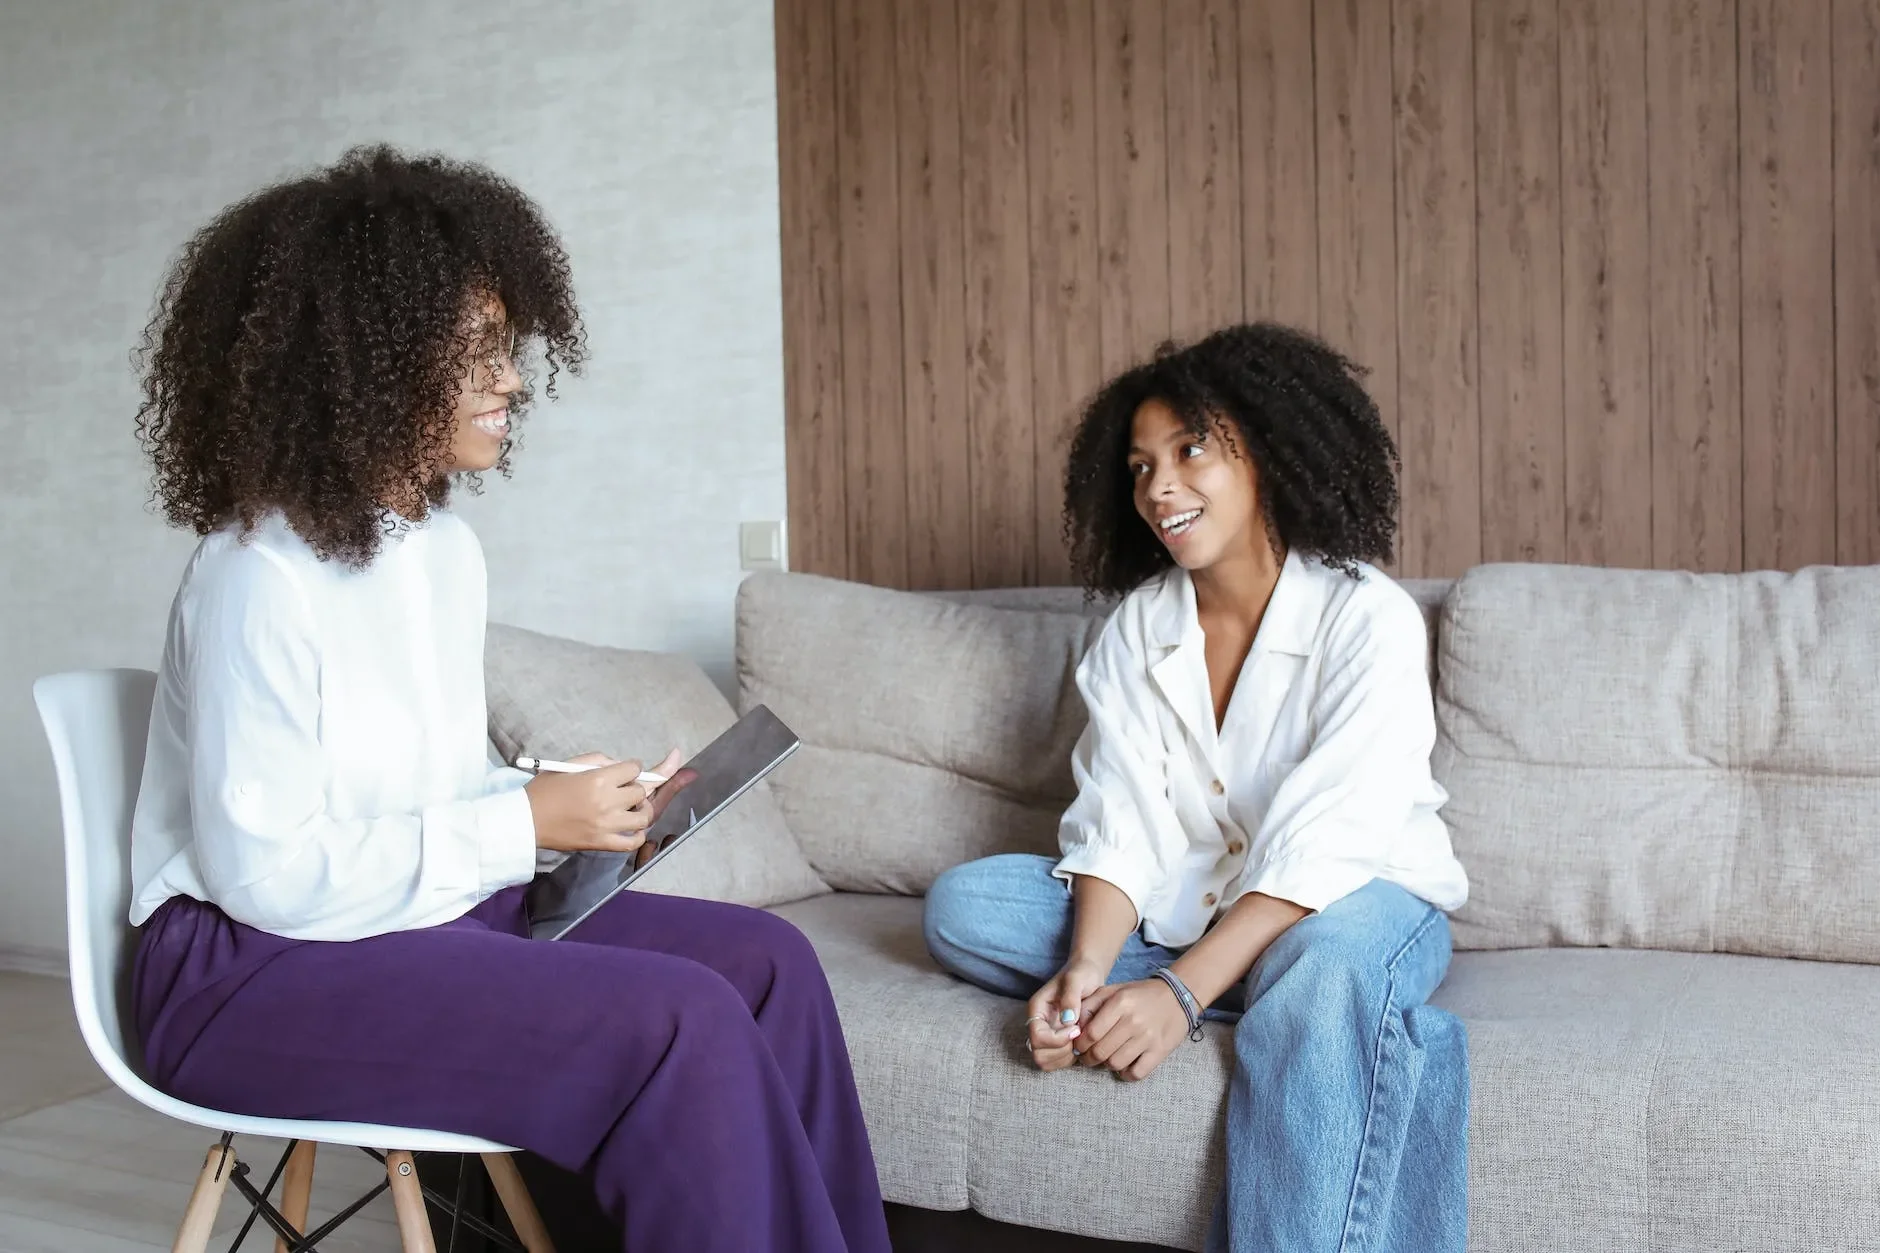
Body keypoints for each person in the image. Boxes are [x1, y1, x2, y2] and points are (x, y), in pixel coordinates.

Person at [127, 145, 890, 1253]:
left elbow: (416, 788)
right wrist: (519, 825)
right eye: (479, 351)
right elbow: (268, 874)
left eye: (510, 348)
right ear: (368, 362)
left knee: (769, 964)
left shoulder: (440, 549)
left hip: (400, 919)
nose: (516, 380)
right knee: (678, 1022)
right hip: (246, 971)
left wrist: (551, 803)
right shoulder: (257, 576)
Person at [922, 324, 1471, 1253]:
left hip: (1358, 900)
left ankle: (1306, 1000)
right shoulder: (1139, 629)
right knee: (965, 905)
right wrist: (1088, 973)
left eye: (1189, 451)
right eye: (1138, 467)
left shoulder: (1363, 615)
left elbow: (1325, 846)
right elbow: (1118, 818)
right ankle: (1312, 1013)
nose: (1159, 487)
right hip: (1188, 914)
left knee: (1326, 962)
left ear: (1265, 448)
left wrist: (1177, 997)